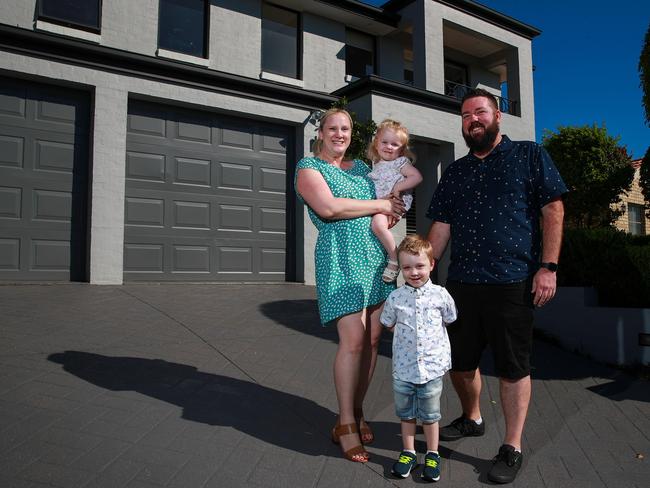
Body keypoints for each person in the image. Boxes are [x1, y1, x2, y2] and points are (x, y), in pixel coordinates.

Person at [427, 88, 567, 484]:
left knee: (512, 367)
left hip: (513, 282)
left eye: (481, 112)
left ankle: (512, 445)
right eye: (467, 115)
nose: (474, 119)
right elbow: (440, 227)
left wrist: (549, 267)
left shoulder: (529, 155)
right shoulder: (455, 171)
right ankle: (472, 417)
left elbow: (553, 210)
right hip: (462, 285)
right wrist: (419, 270)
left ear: (498, 116)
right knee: (460, 362)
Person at [295, 108, 406, 463]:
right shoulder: (308, 168)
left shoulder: (362, 168)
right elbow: (329, 208)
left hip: (375, 259)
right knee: (354, 341)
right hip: (339, 259)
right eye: (333, 128)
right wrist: (381, 202)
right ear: (321, 132)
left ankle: (357, 411)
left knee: (373, 341)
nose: (339, 134)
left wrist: (395, 205)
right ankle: (344, 423)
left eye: (345, 128)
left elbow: (389, 202)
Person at [380, 235, 457, 482]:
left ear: (431, 265)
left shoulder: (441, 295)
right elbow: (389, 324)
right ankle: (409, 452)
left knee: (431, 415)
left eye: (420, 266)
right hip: (404, 368)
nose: (414, 272)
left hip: (432, 368)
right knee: (406, 413)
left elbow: (449, 319)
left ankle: (433, 453)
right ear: (400, 269)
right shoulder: (395, 298)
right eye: (407, 267)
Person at [367, 119, 423, 283]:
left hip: (395, 204)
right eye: (385, 142)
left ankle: (394, 259)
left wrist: (398, 187)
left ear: (402, 150)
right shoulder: (377, 165)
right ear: (376, 143)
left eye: (394, 144)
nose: (389, 147)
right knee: (374, 228)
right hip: (381, 205)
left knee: (377, 224)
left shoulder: (400, 163)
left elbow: (417, 177)